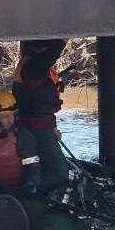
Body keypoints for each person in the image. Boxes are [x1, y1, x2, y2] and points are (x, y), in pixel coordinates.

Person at [12, 39, 71, 193]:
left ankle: (33, 186)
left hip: (39, 125)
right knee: (60, 174)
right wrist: (63, 39)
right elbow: (52, 54)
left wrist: (53, 128)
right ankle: (30, 190)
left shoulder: (30, 66)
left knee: (42, 163)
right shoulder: (33, 68)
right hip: (38, 128)